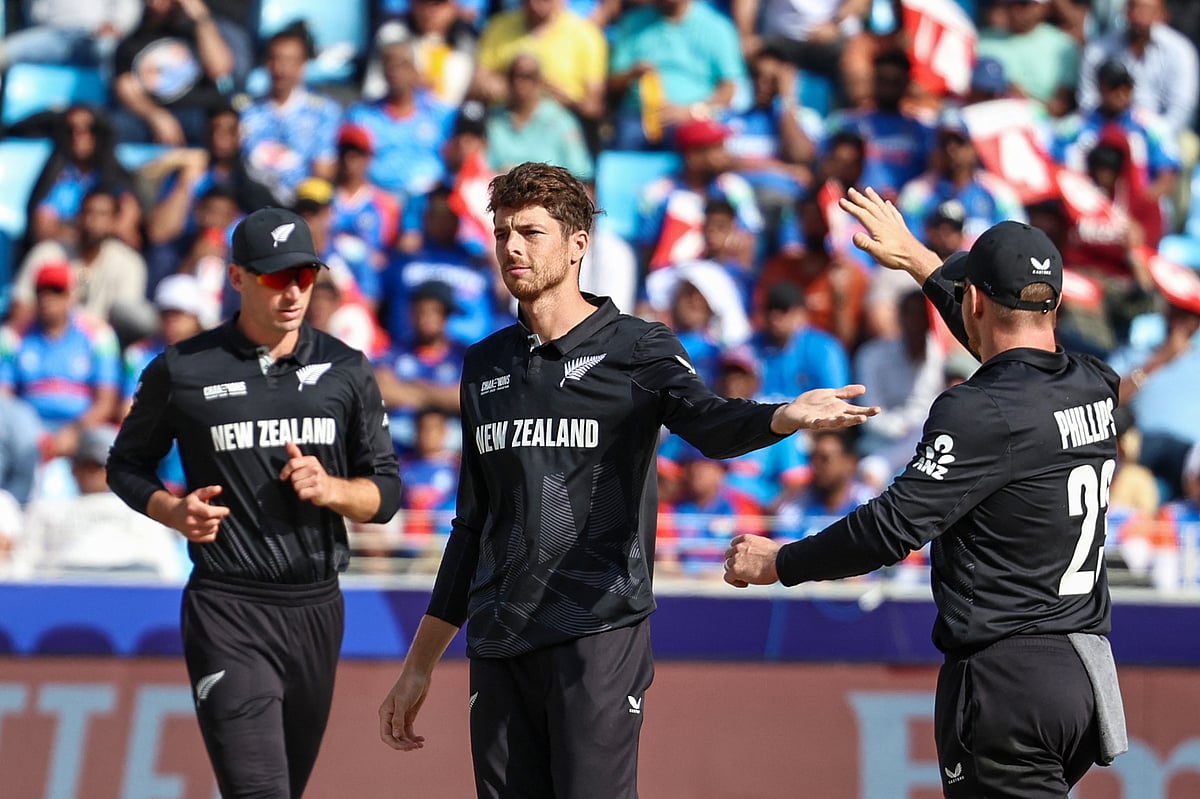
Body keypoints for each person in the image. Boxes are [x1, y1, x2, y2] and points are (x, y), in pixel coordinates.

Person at [376, 162, 879, 796]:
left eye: (530, 232)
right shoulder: (484, 364)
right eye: (502, 232)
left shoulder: (636, 347)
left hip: (598, 630)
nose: (512, 247)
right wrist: (420, 664)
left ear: (577, 243)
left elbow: (709, 422)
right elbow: (472, 525)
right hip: (499, 639)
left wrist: (782, 415)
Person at [724, 186, 1128, 797]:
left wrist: (782, 561)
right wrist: (918, 259)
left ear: (973, 303)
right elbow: (1014, 359)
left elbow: (892, 528)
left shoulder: (978, 410)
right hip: (1081, 674)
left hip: (1005, 681)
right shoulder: (1095, 384)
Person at [106, 207, 401, 798]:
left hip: (318, 607)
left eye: (304, 275)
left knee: (284, 789)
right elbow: (125, 465)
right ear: (237, 278)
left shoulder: (346, 369)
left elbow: (386, 494)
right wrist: (173, 511)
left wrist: (331, 489)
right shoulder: (183, 369)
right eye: (274, 277)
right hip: (229, 606)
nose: (293, 292)